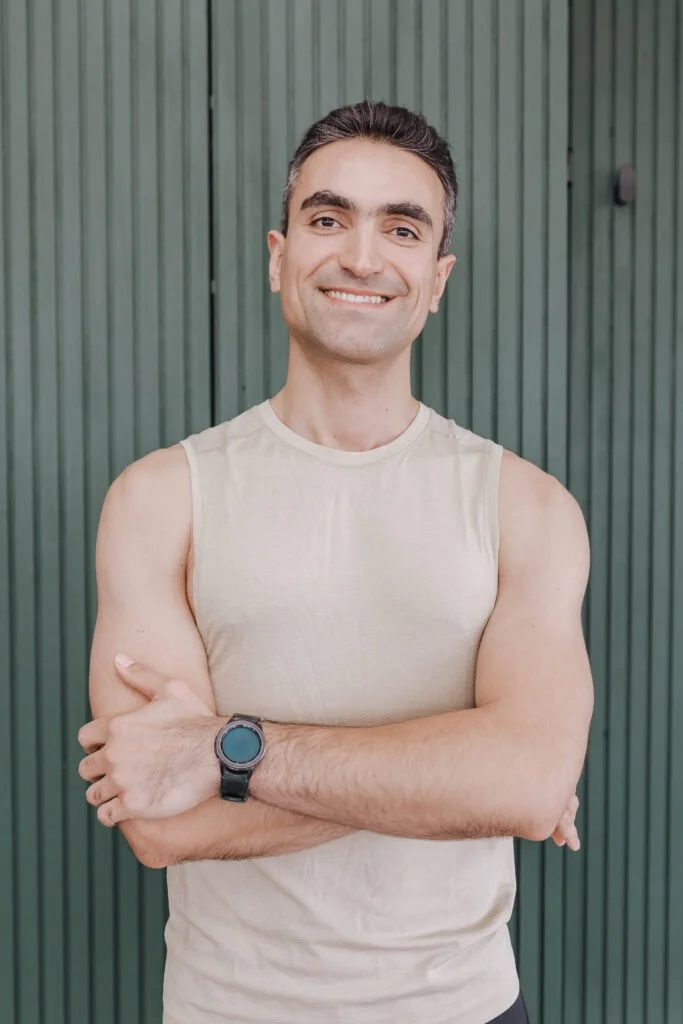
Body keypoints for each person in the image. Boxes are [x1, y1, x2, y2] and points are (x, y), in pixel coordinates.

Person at [77, 100, 593, 1024]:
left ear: (436, 280)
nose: (360, 256)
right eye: (328, 219)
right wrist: (463, 773)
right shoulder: (160, 498)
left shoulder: (527, 508)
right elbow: (160, 821)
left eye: (401, 228)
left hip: (466, 1007)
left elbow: (525, 782)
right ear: (279, 254)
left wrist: (224, 751)